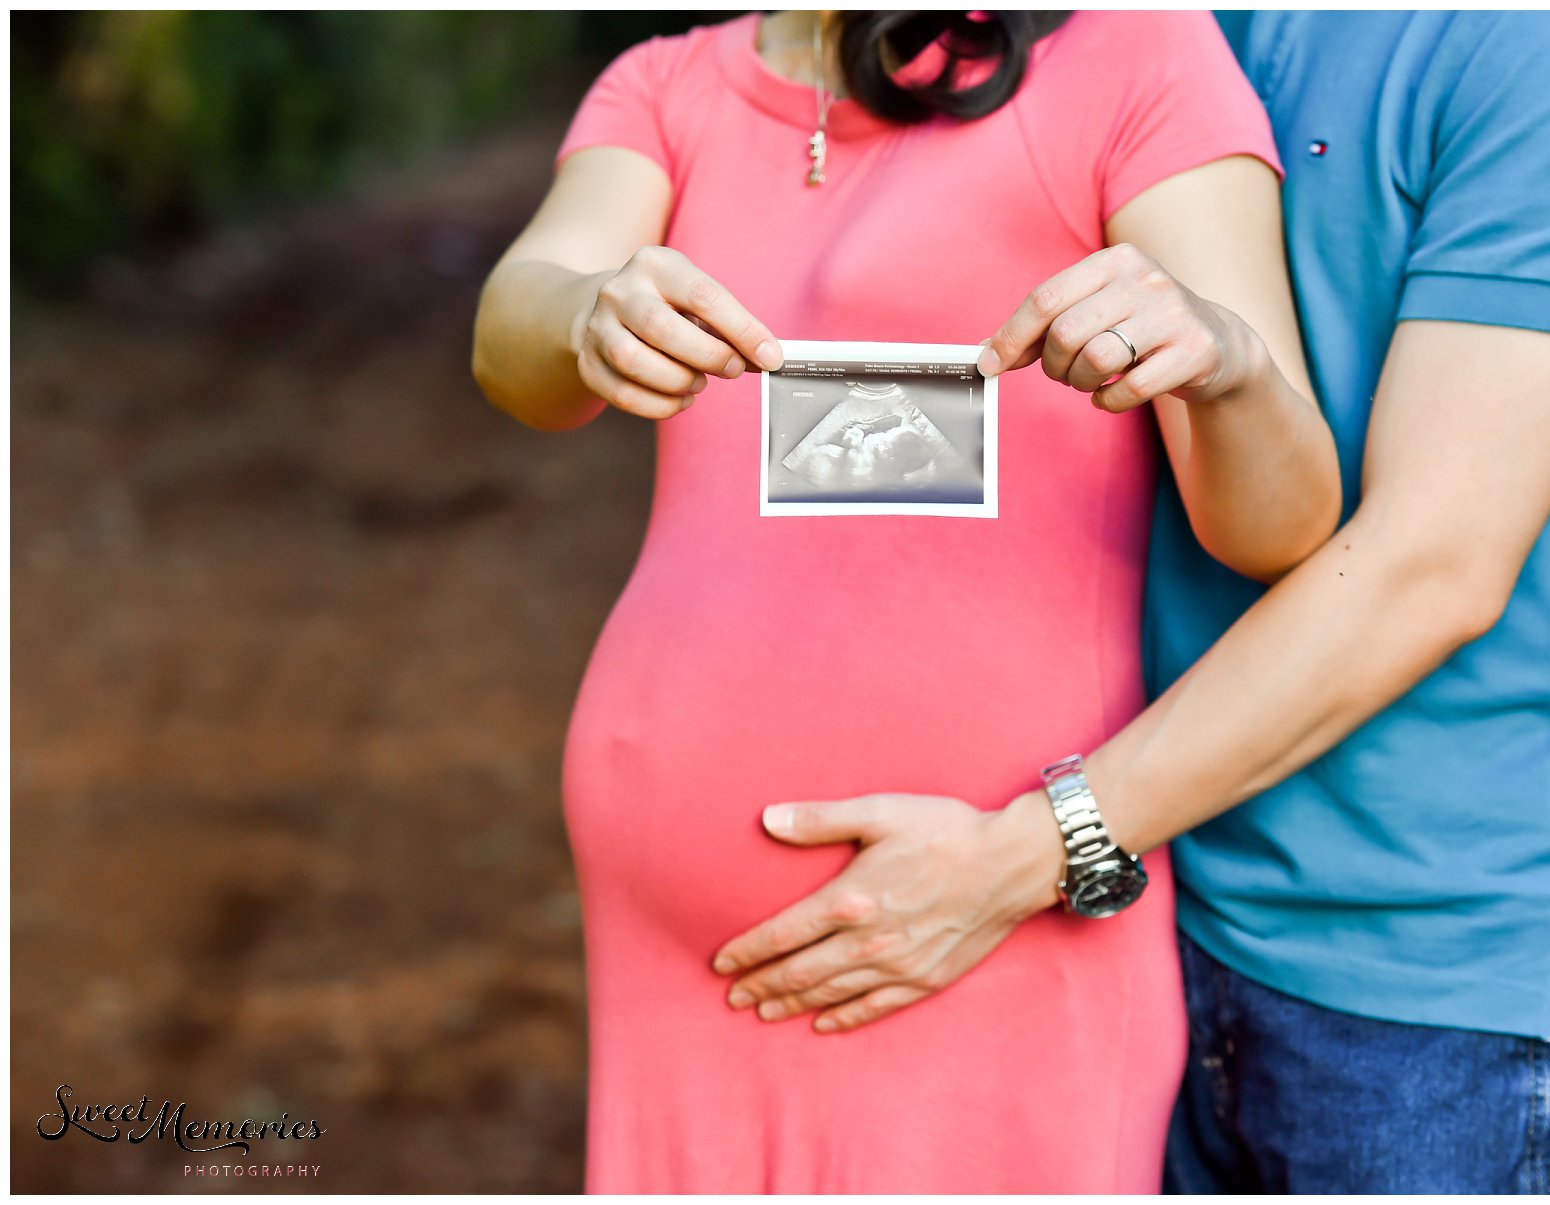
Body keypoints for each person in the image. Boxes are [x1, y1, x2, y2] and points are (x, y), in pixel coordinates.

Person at [713, 10, 1550, 1195]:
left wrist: (1022, 854)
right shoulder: (1169, 23)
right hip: (1157, 917)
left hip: (1442, 994)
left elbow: (1432, 564)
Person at [470, 9, 1340, 1193]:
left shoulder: (1135, 51)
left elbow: (1280, 526)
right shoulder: (664, 86)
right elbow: (513, 333)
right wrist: (584, 315)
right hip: (671, 954)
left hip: (985, 914)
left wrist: (1228, 368)